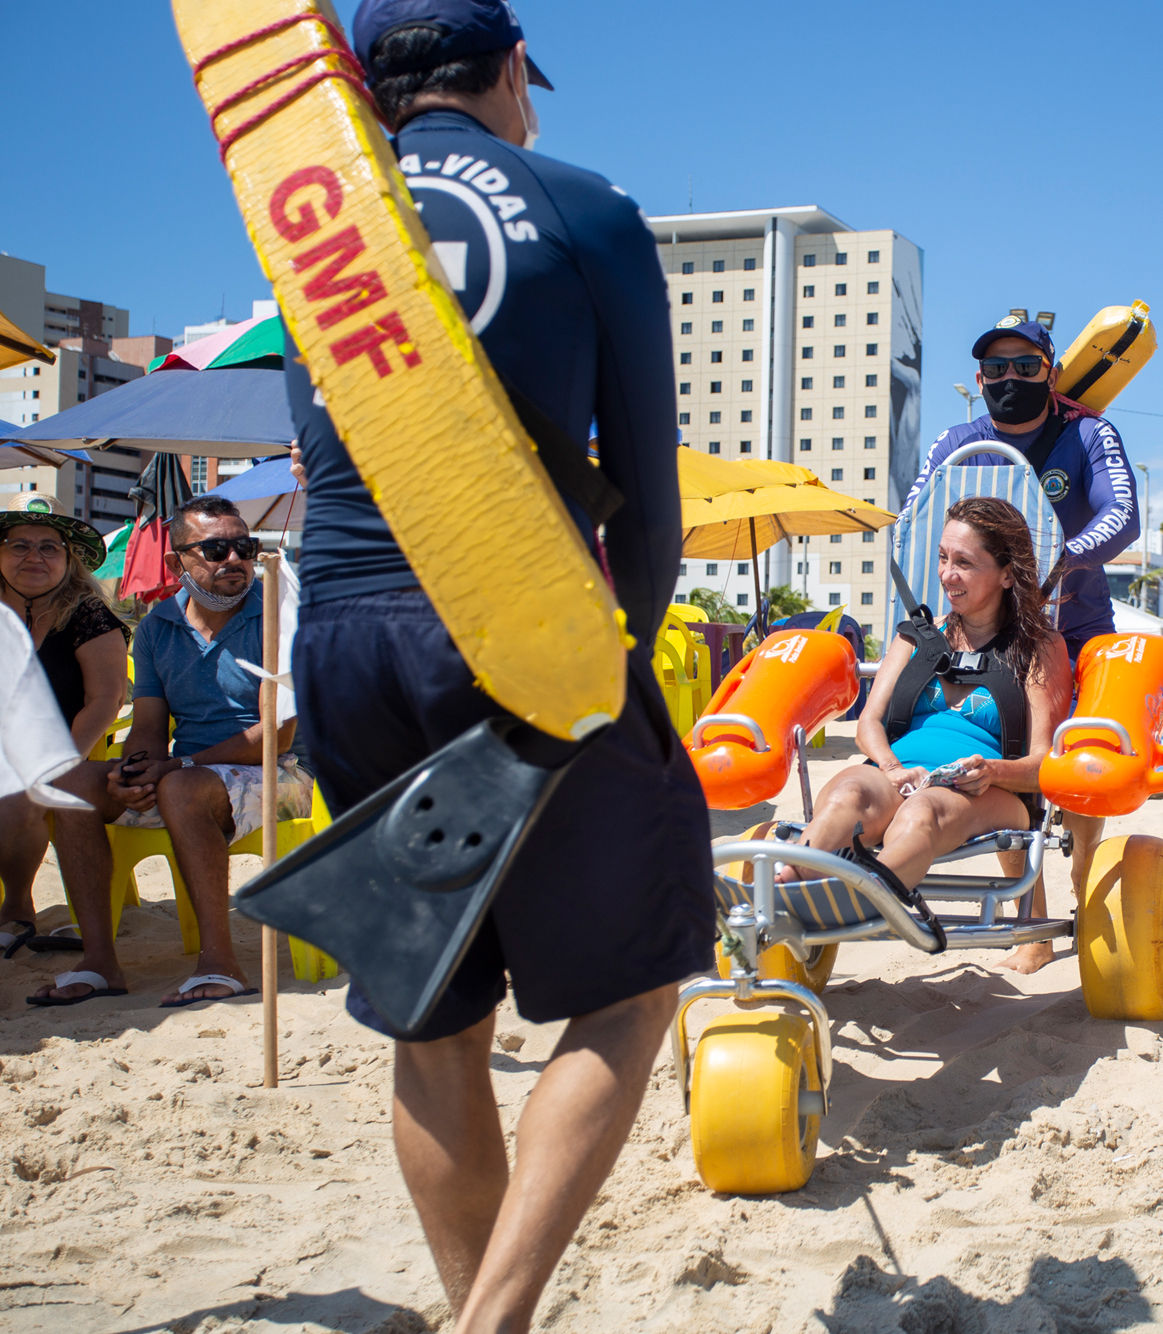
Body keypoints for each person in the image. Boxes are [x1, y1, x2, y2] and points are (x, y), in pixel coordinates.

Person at [287, 5, 706, 1330]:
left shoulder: (313, 223)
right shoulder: (582, 204)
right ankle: (492, 1324)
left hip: (342, 628)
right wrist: (616, 654)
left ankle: (475, 1305)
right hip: (515, 619)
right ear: (514, 71)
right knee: (635, 989)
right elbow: (646, 485)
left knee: (432, 1012)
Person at [903, 315, 1140, 973]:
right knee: (1006, 757)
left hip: (1078, 625)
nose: (1011, 379)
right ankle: (1031, 925)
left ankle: (1088, 877)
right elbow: (920, 520)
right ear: (979, 378)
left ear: (1051, 372)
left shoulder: (1087, 432)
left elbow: (1122, 517)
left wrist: (1061, 562)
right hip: (993, 632)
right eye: (997, 369)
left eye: (1026, 367)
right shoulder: (958, 441)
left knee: (1083, 768)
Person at [30, 496, 311, 1007]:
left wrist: (174, 766)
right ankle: (98, 962)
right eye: (215, 548)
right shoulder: (159, 627)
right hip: (189, 773)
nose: (234, 559)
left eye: (244, 546)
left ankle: (220, 964)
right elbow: (149, 726)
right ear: (175, 561)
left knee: (180, 788)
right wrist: (136, 770)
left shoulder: (278, 614)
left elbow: (277, 736)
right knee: (72, 785)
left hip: (284, 774)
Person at [780, 498, 1071, 891]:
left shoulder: (1038, 647)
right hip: (899, 773)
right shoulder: (916, 637)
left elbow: (1043, 765)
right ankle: (788, 888)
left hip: (986, 791)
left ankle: (860, 901)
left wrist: (991, 771)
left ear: (1006, 574)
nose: (947, 575)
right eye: (942, 558)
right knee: (849, 791)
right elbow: (869, 722)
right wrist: (889, 767)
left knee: (922, 810)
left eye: (964, 563)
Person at [0, 493, 128, 958]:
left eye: (49, 547)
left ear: (68, 559)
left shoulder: (88, 614)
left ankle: (15, 909)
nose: (34, 556)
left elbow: (105, 700)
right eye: (19, 545)